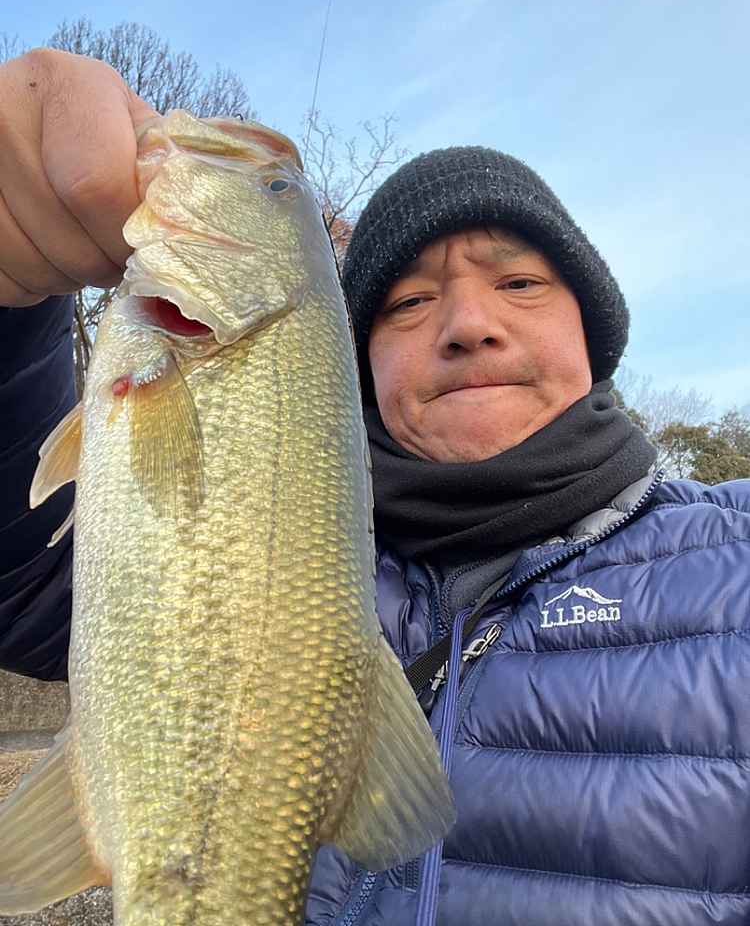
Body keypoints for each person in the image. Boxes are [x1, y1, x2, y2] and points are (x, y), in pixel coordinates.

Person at [1, 50, 749, 926]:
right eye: (408, 304)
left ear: (594, 331)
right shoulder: (292, 530)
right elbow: (19, 578)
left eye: (518, 283)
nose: (468, 324)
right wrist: (11, 306)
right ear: (358, 363)